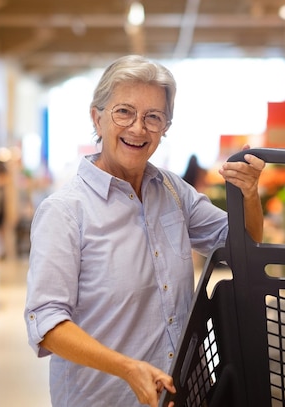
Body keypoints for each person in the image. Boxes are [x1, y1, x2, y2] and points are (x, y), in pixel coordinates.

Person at [24, 54, 266, 407]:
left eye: (153, 117)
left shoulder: (172, 191)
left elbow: (243, 244)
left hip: (177, 395)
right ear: (97, 117)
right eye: (124, 112)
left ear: (165, 127)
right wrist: (126, 368)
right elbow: (46, 324)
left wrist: (249, 193)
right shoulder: (65, 212)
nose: (138, 128)